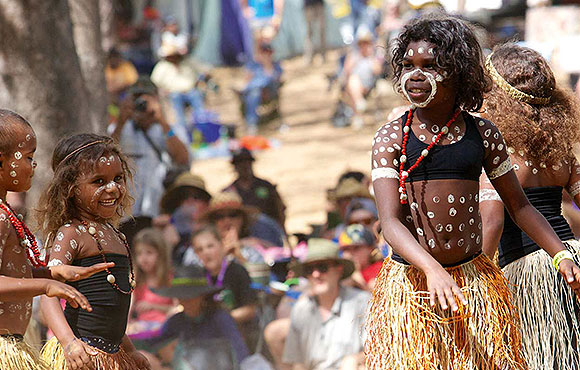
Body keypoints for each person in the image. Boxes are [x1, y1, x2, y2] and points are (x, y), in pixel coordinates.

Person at [367, 15, 580, 369]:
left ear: (458, 72)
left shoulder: (483, 134)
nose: (415, 75)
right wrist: (432, 270)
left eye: (430, 66)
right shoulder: (391, 138)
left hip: (474, 281)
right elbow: (389, 222)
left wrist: (560, 255)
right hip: (413, 285)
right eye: (407, 65)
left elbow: (520, 208)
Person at [480, 43, 580, 369]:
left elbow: (493, 221)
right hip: (571, 257)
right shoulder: (560, 149)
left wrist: (477, 280)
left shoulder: (497, 150)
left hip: (528, 277)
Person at [0, 110, 113, 370]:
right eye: (28, 157)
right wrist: (45, 286)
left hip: (12, 343)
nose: (34, 166)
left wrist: (51, 272)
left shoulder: (6, 212)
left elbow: (10, 271)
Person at [37, 134, 151, 369]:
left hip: (111, 356)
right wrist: (69, 343)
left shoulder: (116, 235)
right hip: (83, 355)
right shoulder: (72, 233)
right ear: (70, 188)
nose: (112, 189)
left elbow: (110, 311)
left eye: (117, 179)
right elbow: (48, 296)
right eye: (98, 181)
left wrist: (130, 350)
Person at [282, 238, 369, 369]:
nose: (316, 274)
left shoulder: (362, 302)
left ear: (339, 270)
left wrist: (355, 359)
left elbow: (379, 351)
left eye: (322, 268)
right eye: (309, 270)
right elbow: (297, 363)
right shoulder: (301, 309)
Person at [140, 265, 249, 369]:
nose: (186, 302)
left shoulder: (220, 318)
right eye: (182, 297)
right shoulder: (176, 321)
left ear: (202, 296)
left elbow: (239, 353)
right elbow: (154, 343)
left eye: (191, 297)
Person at [111, 78, 190, 219]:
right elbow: (108, 153)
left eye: (146, 98)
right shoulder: (121, 127)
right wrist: (121, 120)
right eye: (136, 98)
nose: (141, 103)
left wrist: (162, 121)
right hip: (127, 204)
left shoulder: (169, 130)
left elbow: (182, 159)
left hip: (157, 201)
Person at [190, 225, 260, 352]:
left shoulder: (237, 271)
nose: (206, 252)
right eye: (200, 249)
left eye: (210, 246)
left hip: (238, 332)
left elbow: (250, 309)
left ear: (221, 245)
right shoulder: (198, 277)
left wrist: (223, 320)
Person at [151, 40, 210, 138]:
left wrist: (200, 82)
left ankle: (203, 127)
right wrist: (163, 91)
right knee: (177, 109)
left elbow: (206, 71)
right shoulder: (162, 66)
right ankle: (182, 132)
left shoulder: (188, 62)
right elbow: (154, 82)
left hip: (191, 91)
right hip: (173, 94)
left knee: (197, 103)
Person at [224, 148, 286, 229]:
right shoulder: (229, 191)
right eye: (240, 163)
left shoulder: (266, 186)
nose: (244, 166)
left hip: (268, 230)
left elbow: (280, 209)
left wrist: (282, 231)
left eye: (247, 162)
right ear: (235, 167)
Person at [129, 228, 175, 334]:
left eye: (149, 253)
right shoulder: (136, 279)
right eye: (139, 254)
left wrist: (153, 306)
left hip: (165, 326)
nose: (143, 259)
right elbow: (128, 308)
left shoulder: (169, 278)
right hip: (142, 327)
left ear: (160, 254)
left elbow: (177, 309)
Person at [340, 26, 383, 129]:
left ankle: (359, 104)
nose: (364, 46)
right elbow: (346, 71)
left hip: (369, 85)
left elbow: (378, 71)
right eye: (362, 43)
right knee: (353, 80)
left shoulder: (372, 57)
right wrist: (356, 60)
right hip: (354, 85)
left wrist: (371, 56)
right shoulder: (353, 55)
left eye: (367, 43)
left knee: (354, 82)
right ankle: (359, 104)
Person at [239, 40, 283, 135]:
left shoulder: (275, 65)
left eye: (268, 52)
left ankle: (252, 123)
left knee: (261, 84)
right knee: (254, 92)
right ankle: (251, 124)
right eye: (264, 52)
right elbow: (246, 80)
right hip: (253, 90)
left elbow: (276, 79)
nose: (266, 55)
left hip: (268, 91)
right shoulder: (253, 65)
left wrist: (267, 64)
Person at [338, 223, 382, 290]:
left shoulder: (380, 269)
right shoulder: (339, 272)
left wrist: (359, 281)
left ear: (371, 248)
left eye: (356, 248)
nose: (350, 253)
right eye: (346, 249)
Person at [303, 0, 326, 65]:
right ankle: (309, 57)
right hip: (308, 5)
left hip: (319, 4)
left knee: (321, 31)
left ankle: (323, 55)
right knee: (309, 32)